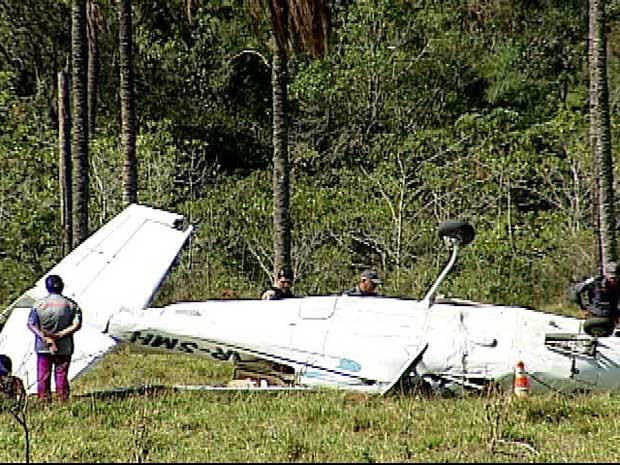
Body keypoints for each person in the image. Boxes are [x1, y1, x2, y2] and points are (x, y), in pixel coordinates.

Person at [27, 274, 82, 401]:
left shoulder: (38, 305)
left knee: (43, 376)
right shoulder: (71, 305)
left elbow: (31, 324)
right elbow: (77, 325)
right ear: (62, 287)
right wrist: (60, 335)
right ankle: (62, 401)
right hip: (65, 347)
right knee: (61, 374)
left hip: (43, 347)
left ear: (47, 287)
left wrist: (45, 337)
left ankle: (44, 401)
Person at [570, 261, 620, 327]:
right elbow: (575, 291)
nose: (613, 280)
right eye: (611, 278)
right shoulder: (595, 281)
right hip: (594, 316)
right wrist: (583, 308)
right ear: (606, 275)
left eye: (616, 278)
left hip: (612, 316)